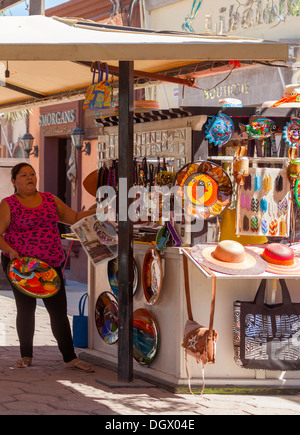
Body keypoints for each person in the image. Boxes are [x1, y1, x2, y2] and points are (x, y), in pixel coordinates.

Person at [0, 162, 95, 371]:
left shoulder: (50, 200)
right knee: (26, 308)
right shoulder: (8, 204)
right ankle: (26, 355)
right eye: (23, 175)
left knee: (58, 310)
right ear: (14, 181)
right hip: (21, 265)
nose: (29, 177)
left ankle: (70, 358)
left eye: (32, 174)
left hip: (50, 265)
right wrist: (11, 251)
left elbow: (75, 218)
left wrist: (99, 208)